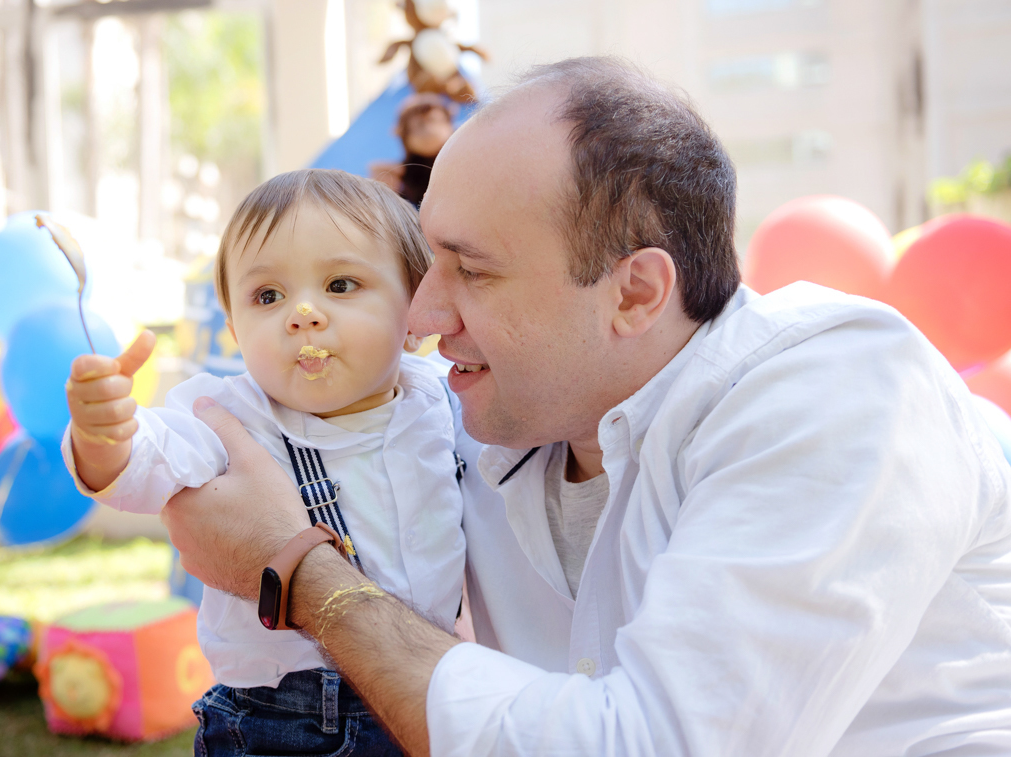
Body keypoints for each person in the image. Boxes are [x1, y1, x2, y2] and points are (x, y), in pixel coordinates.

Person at [160, 57, 1011, 756]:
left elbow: (655, 743)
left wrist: (300, 571)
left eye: (472, 270)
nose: (422, 314)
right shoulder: (488, 418)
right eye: (426, 264)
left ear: (634, 292)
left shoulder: (838, 390)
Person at [63, 169, 467, 756]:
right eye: (268, 297)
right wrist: (104, 434)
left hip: (427, 693)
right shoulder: (229, 417)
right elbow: (148, 460)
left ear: (416, 311)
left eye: (341, 284)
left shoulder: (446, 402)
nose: (302, 313)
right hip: (280, 720)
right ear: (235, 330)